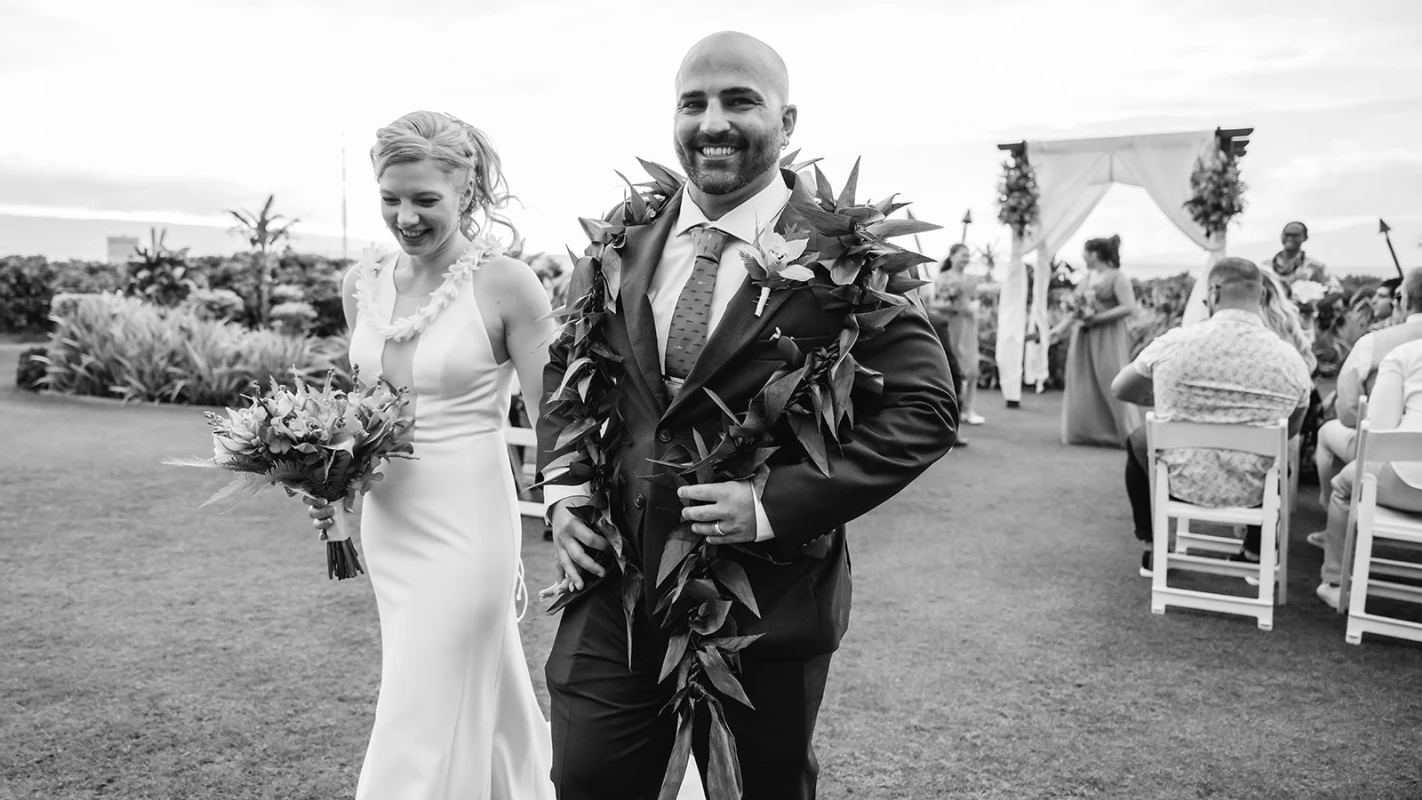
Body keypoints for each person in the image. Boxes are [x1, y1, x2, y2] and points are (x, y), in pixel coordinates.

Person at [536, 31, 957, 800]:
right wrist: (564, 492)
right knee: (588, 781)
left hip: (763, 600)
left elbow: (927, 410)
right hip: (617, 587)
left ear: (787, 122)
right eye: (693, 103)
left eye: (740, 101)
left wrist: (771, 506)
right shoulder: (622, 240)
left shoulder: (848, 255)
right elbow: (568, 366)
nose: (713, 122)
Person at [308, 110, 556, 799]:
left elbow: (555, 416)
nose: (406, 216)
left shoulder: (507, 283)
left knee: (421, 699)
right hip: (391, 522)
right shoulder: (361, 283)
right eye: (391, 198)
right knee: (483, 689)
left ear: (466, 192)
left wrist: (574, 511)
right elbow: (363, 408)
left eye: (426, 200)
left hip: (468, 524)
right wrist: (327, 475)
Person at [1112, 258, 1311, 576]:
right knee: (1277, 459)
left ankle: (1155, 546)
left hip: (1179, 480)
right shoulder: (1291, 360)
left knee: (1138, 439)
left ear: (1214, 292)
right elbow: (1290, 430)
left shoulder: (1175, 342)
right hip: (1252, 489)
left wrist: (1159, 397)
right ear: (1260, 297)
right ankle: (1255, 551)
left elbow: (1120, 388)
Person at [1309, 268, 1422, 550]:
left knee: (1330, 439)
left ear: (1404, 300)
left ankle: (1334, 575)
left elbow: (1354, 417)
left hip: (1401, 475)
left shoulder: (1382, 345)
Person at [1315, 336, 1422, 609]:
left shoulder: (1405, 354)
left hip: (1405, 479)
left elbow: (1377, 435)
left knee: (1342, 485)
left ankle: (1335, 583)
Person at [1054, 235, 1141, 447]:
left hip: (1108, 336)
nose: (1083, 256)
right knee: (1083, 381)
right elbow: (1075, 310)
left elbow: (1128, 306)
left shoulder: (1117, 277)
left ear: (1095, 254)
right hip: (1084, 337)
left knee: (1110, 377)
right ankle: (1089, 432)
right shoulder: (1086, 279)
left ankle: (1123, 432)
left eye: (1085, 252)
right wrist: (1057, 330)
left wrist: (1097, 318)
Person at [933, 243, 985, 425]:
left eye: (968, 255)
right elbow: (936, 304)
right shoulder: (942, 278)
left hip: (968, 326)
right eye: (963, 254)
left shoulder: (972, 279)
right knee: (951, 367)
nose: (966, 258)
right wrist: (955, 305)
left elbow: (976, 301)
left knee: (972, 367)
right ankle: (952, 408)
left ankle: (968, 409)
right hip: (950, 326)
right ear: (952, 256)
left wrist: (973, 308)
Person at [1262, 221, 1341, 293]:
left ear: (1305, 238)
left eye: (1295, 235)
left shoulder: (1315, 267)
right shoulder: (1266, 266)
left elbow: (1335, 289)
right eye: (1287, 234)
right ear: (1281, 236)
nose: (1290, 238)